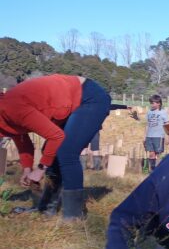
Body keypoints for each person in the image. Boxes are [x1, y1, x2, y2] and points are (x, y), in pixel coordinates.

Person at [0, 74, 111, 219]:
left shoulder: (11, 108)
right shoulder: (5, 113)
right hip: (70, 100)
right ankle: (46, 208)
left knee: (66, 152)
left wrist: (40, 169)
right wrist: (27, 169)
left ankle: (74, 216)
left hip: (89, 97)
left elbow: (56, 136)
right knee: (50, 151)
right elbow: (21, 138)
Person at [144, 95, 169, 171]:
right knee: (151, 154)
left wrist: (167, 136)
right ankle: (152, 170)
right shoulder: (149, 112)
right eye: (151, 103)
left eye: (153, 103)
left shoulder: (163, 112)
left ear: (159, 103)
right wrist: (144, 136)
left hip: (159, 136)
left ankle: (158, 170)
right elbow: (147, 125)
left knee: (158, 154)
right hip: (149, 136)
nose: (151, 104)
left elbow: (167, 125)